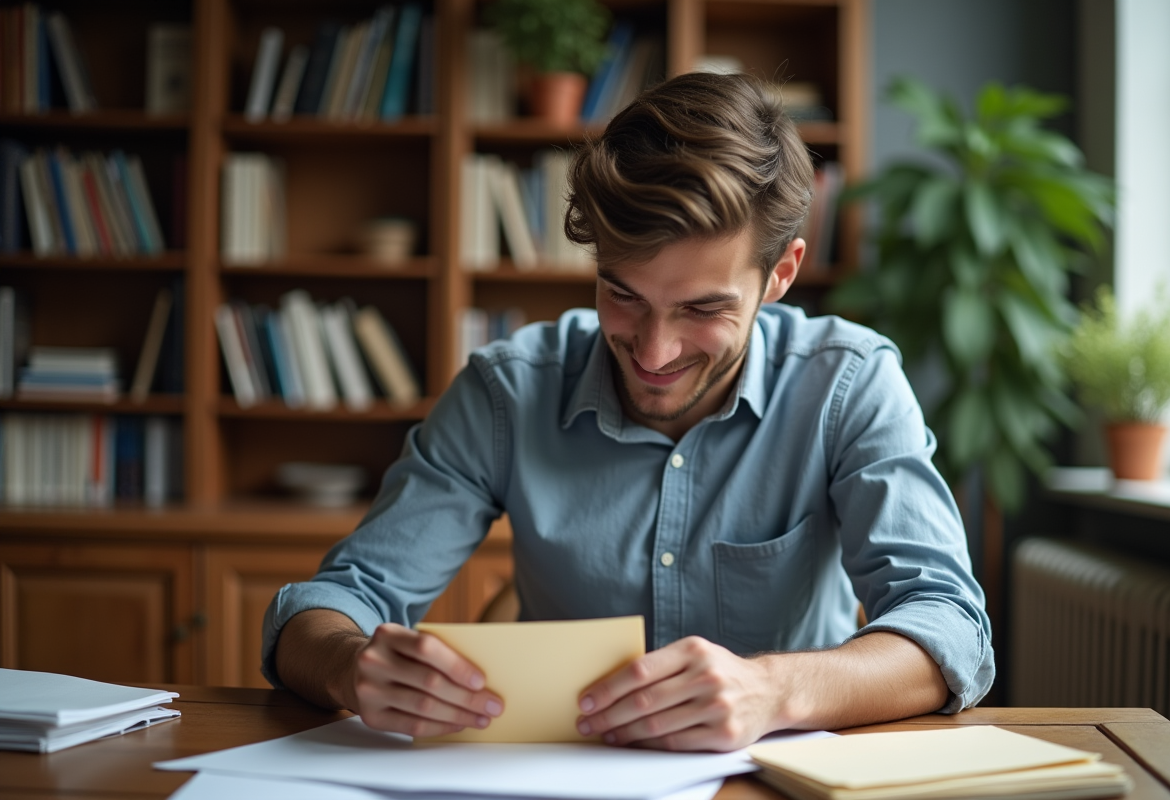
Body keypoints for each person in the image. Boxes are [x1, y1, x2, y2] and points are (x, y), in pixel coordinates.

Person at [263, 72, 994, 752]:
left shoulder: (850, 385)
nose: (652, 350)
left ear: (781, 274)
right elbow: (334, 601)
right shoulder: (506, 392)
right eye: (622, 295)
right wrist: (351, 666)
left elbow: (949, 627)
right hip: (553, 773)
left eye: (703, 308)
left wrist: (772, 690)